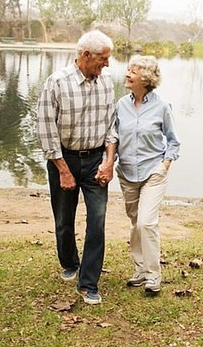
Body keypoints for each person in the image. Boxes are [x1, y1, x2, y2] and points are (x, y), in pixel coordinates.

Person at [36, 29, 117, 305]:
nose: (106, 64)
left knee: (98, 219)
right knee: (63, 219)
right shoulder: (56, 83)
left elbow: (111, 127)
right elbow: (46, 129)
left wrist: (109, 162)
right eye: (103, 59)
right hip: (64, 158)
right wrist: (62, 169)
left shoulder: (107, 82)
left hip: (96, 160)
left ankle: (88, 283)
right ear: (86, 55)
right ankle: (69, 261)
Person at [116, 55, 180, 295]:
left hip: (153, 171)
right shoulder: (121, 105)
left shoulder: (162, 107)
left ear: (145, 78)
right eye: (128, 70)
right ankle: (140, 269)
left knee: (146, 223)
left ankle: (154, 276)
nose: (127, 74)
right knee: (135, 224)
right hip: (127, 173)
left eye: (132, 71)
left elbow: (174, 142)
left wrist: (164, 165)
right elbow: (113, 136)